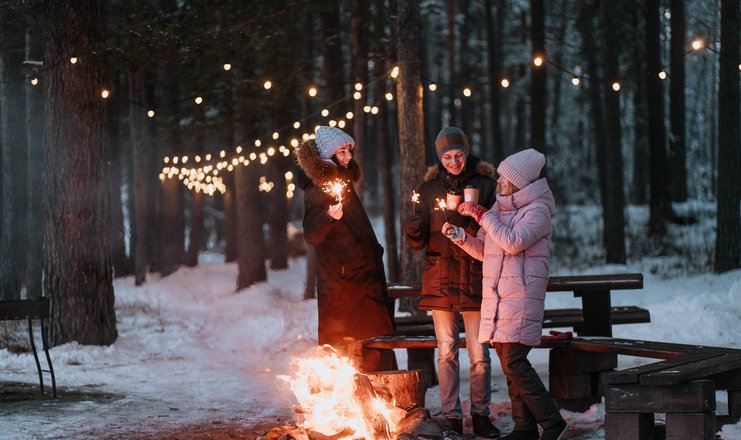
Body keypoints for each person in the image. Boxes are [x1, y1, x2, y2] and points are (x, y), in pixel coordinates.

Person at [444, 148, 568, 440]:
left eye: (503, 178)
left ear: (518, 182)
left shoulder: (538, 211)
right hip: (498, 299)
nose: (498, 182)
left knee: (515, 363)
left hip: (521, 299)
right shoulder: (500, 210)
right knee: (510, 364)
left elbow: (512, 242)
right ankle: (524, 427)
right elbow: (487, 249)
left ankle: (553, 423)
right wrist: (462, 238)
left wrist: (481, 215)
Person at [401, 127, 500, 438]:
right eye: (447, 157)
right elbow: (417, 244)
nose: (454, 161)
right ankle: (452, 416)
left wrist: (478, 214)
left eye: (459, 155)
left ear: (467, 153)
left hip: (474, 278)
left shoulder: (486, 185)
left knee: (480, 354)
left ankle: (481, 415)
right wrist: (414, 229)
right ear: (439, 158)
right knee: (446, 352)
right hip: (440, 278)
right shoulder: (427, 190)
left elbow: (497, 232)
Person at [295, 126, 396, 373]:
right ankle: (353, 404)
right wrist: (328, 217)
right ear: (328, 155)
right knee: (348, 351)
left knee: (371, 345)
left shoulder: (343, 183)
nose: (349, 156)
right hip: (343, 285)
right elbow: (311, 234)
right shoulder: (317, 189)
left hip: (362, 279)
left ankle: (381, 401)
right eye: (342, 151)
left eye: (349, 150)